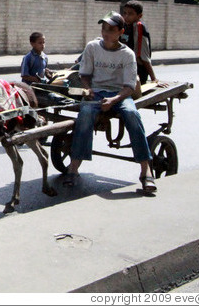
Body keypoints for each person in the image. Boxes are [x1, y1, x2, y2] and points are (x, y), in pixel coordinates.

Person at [63, 11, 156, 194]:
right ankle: (73, 168)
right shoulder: (92, 47)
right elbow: (84, 75)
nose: (106, 33)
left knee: (132, 114)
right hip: (96, 93)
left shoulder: (127, 54)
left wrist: (114, 99)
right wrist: (88, 89)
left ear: (121, 32)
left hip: (119, 94)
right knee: (85, 115)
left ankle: (146, 170)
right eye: (104, 28)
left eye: (111, 29)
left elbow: (130, 86)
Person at [121, 0, 163, 91]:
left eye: (130, 14)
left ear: (139, 16)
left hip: (137, 71)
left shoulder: (139, 28)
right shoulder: (125, 26)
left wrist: (153, 78)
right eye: (125, 13)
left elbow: (144, 56)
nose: (126, 16)